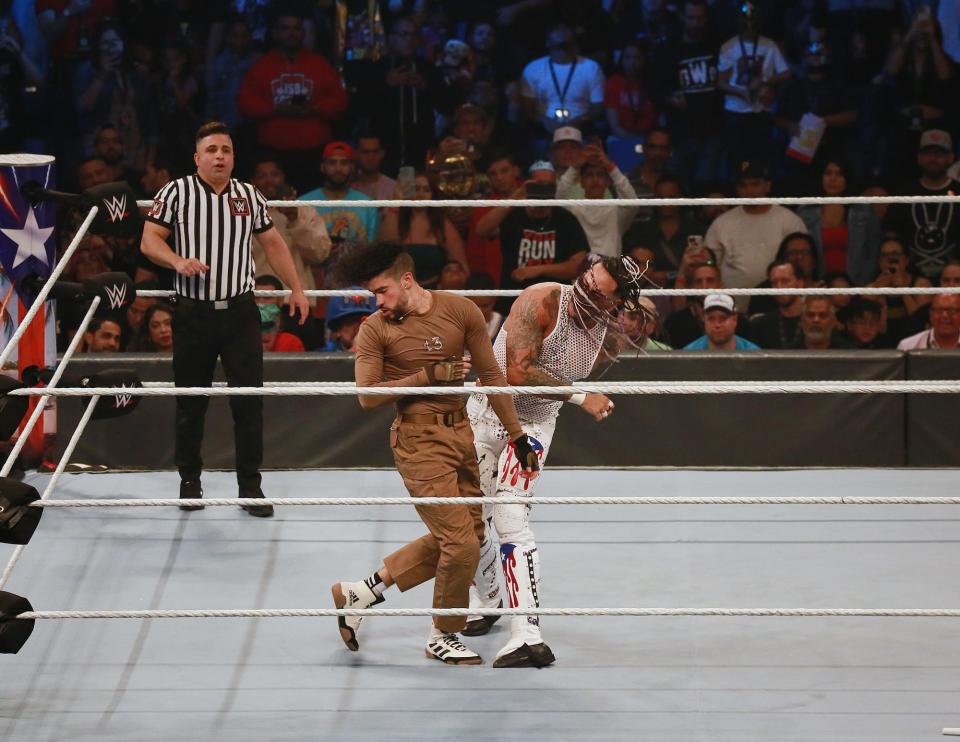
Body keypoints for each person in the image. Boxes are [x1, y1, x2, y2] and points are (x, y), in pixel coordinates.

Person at [330, 241, 539, 666]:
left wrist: (516, 436)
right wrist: (427, 376)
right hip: (417, 442)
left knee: (470, 536)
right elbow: (367, 397)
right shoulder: (375, 329)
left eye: (383, 291)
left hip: (461, 435)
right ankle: (443, 634)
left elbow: (492, 374)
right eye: (374, 294)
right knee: (461, 544)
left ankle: (363, 591)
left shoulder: (461, 311)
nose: (380, 302)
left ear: (407, 280)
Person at [465, 254, 650, 667]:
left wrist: (574, 391)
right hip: (485, 413)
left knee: (511, 515)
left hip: (532, 428)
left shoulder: (610, 333)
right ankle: (490, 593)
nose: (585, 291)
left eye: (597, 292)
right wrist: (581, 397)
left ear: (614, 302)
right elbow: (516, 371)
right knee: (468, 518)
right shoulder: (542, 299)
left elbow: (567, 372)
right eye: (585, 281)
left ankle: (527, 635)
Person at [140, 121, 310, 518]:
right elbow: (150, 240)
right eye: (213, 149)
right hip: (192, 312)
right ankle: (189, 481)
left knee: (249, 404)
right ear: (198, 157)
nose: (220, 156)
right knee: (190, 403)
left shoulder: (249, 195)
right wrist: (177, 261)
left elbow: (273, 243)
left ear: (234, 156)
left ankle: (250, 487)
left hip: (239, 313)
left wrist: (296, 288)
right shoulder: (176, 192)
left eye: (227, 150)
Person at [236, 12, 347, 191]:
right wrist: (275, 109)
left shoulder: (320, 64)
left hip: (314, 154)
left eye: (296, 28)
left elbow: (340, 101)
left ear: (303, 33)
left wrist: (316, 108)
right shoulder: (261, 66)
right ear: (275, 33)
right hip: (274, 156)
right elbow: (245, 104)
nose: (291, 33)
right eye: (285, 28)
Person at [475, 161, 590, 297]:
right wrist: (518, 194)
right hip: (515, 298)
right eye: (538, 184)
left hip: (554, 301)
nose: (544, 189)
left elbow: (578, 266)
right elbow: (482, 230)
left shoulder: (566, 219)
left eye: (549, 185)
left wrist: (538, 270)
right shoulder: (513, 214)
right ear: (528, 184)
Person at [705, 160, 807, 310]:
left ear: (767, 185)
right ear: (737, 189)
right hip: (731, 308)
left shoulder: (789, 221)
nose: (750, 191)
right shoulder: (721, 224)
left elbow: (803, 265)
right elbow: (709, 266)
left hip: (779, 307)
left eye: (755, 184)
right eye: (743, 186)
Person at [884, 130, 960, 280]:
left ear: (950, 158)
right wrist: (897, 273)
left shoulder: (958, 192)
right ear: (919, 158)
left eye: (939, 154)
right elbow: (891, 237)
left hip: (955, 278)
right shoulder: (904, 193)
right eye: (928, 153)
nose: (933, 159)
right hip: (910, 278)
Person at [796, 159, 882, 286]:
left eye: (839, 174)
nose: (833, 179)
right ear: (821, 177)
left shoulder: (863, 210)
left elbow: (874, 251)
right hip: (818, 286)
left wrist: (862, 284)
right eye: (828, 173)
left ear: (847, 178)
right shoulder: (805, 212)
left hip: (856, 285)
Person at [378, 171, 469, 287]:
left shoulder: (443, 225)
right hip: (401, 292)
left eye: (426, 190)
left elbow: (462, 267)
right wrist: (395, 202)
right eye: (416, 189)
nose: (420, 194)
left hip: (436, 294)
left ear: (433, 195)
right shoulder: (396, 220)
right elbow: (385, 247)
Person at [518, 23, 605, 135]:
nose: (563, 48)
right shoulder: (533, 68)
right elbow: (527, 109)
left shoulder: (591, 67)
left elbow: (598, 108)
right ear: (548, 43)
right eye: (559, 45)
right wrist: (544, 121)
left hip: (582, 126)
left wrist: (579, 120)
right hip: (545, 127)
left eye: (567, 44)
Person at [556, 144, 639, 258]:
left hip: (610, 271)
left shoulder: (617, 211)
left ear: (608, 181)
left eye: (600, 175)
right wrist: (575, 167)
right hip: (580, 271)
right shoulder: (573, 209)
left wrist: (610, 166)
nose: (595, 180)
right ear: (581, 181)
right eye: (589, 175)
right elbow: (556, 199)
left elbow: (631, 200)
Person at [868, 236, 933, 343]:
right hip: (882, 343)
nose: (890, 259)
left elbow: (922, 323)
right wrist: (878, 292)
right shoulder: (871, 288)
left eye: (895, 254)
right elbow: (868, 328)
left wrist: (904, 291)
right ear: (879, 262)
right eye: (885, 255)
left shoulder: (921, 285)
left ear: (906, 260)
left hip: (915, 339)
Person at [748, 260, 804, 349]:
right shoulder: (760, 325)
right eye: (774, 282)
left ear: (800, 283)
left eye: (785, 281)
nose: (779, 287)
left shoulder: (816, 319)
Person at [683, 293, 759, 350]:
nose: (717, 325)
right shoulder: (688, 355)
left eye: (723, 318)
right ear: (704, 319)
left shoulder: (754, 355)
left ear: (734, 320)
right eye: (711, 318)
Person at [351, 134, 397, 201]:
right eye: (365, 152)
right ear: (356, 154)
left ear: (382, 153)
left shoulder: (394, 188)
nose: (370, 157)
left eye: (375, 152)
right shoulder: (348, 186)